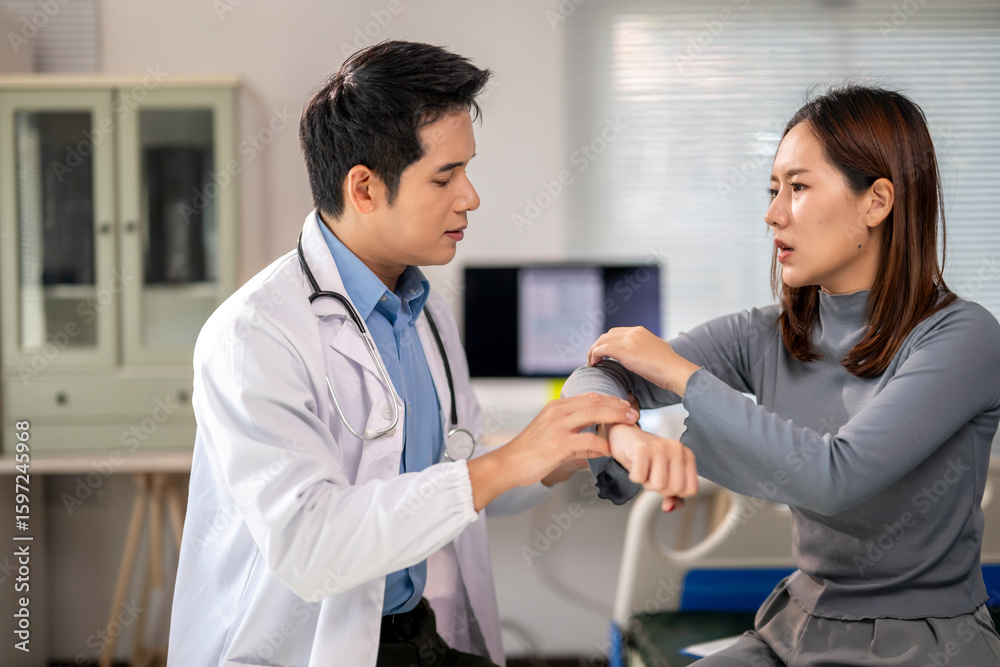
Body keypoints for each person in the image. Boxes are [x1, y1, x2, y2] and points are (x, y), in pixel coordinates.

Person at [166, 40, 697, 667]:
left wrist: (568, 449)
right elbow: (310, 546)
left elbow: (457, 468)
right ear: (363, 188)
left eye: (466, 171)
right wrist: (512, 460)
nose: (469, 197)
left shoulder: (422, 309)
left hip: (411, 634)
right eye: (445, 177)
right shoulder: (254, 335)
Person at [562, 85, 1000, 665]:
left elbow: (831, 477)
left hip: (922, 644)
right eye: (774, 190)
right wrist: (626, 436)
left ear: (877, 201)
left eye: (797, 187)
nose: (773, 214)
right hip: (794, 628)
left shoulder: (964, 337)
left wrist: (684, 377)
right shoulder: (767, 333)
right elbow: (594, 375)